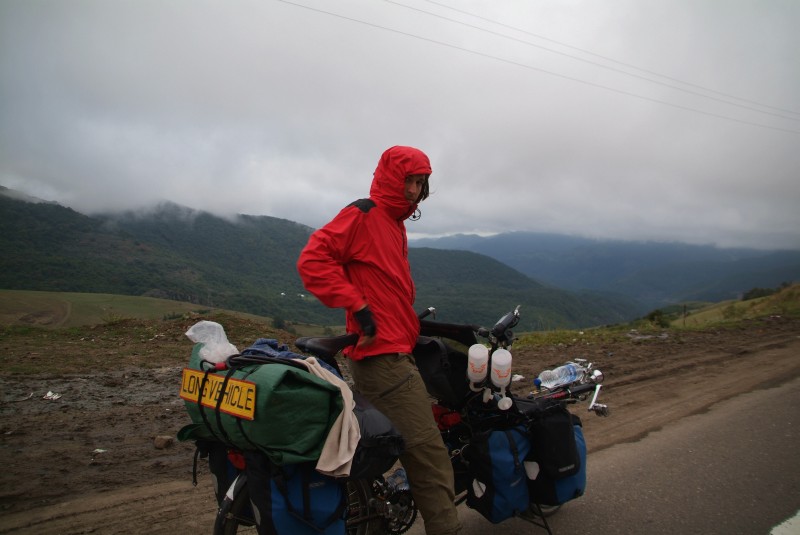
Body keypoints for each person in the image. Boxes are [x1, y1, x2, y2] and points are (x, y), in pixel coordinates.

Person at [297, 145, 461, 535]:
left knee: (391, 442)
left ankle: (374, 514)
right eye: (409, 181)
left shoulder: (393, 223)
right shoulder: (364, 214)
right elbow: (312, 260)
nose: (415, 190)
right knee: (429, 453)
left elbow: (386, 286)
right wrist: (356, 303)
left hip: (395, 350)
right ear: (391, 178)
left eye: (421, 183)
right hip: (382, 358)